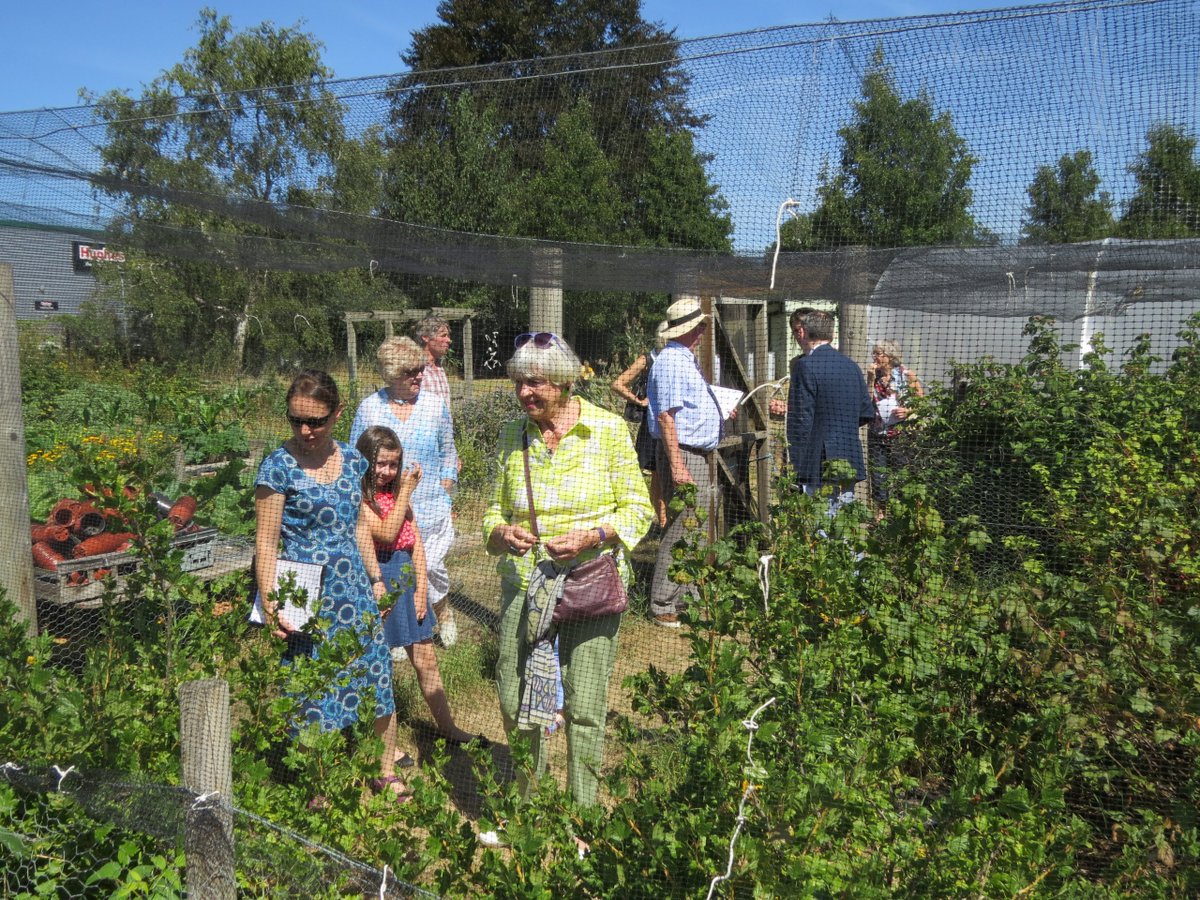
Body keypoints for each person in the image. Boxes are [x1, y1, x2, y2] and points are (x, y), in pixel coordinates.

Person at [482, 330, 652, 843]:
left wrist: (594, 535)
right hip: (526, 586)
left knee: (584, 707)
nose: (524, 393)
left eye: (534, 383)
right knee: (515, 701)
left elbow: (638, 509)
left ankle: (583, 822)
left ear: (562, 382)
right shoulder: (514, 436)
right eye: (518, 383)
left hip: (591, 583)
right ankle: (526, 812)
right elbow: (492, 509)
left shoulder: (606, 430)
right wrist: (500, 532)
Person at [253, 370, 403, 801]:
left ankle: (384, 770)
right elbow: (265, 541)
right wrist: (271, 602)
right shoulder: (277, 467)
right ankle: (316, 786)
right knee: (311, 688)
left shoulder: (356, 462)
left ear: (337, 414)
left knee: (376, 674)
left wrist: (376, 580)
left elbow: (358, 526)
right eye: (296, 420)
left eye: (316, 421)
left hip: (353, 590)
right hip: (304, 595)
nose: (305, 430)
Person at [356, 426, 482, 750]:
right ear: (365, 461)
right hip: (378, 580)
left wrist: (421, 587)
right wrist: (407, 493)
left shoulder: (397, 496)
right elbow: (385, 532)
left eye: (393, 464)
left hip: (406, 576)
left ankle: (449, 727)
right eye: (380, 463)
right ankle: (383, 744)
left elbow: (416, 542)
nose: (388, 471)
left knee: (426, 659)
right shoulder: (360, 498)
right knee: (377, 665)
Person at [350, 337, 461, 647]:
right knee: (395, 572)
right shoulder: (370, 409)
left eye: (420, 369)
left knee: (430, 567)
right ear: (392, 374)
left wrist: (446, 489)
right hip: (386, 511)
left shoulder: (434, 406)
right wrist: (368, 504)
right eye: (410, 371)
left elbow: (448, 452)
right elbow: (355, 459)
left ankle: (443, 613)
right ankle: (399, 633)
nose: (419, 376)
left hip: (431, 507)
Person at [646, 296, 730, 628]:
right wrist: (678, 465)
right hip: (684, 454)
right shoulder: (670, 362)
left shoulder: (685, 359)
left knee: (695, 528)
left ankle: (686, 598)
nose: (704, 330)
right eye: (701, 325)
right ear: (691, 328)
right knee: (682, 526)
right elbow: (667, 417)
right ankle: (663, 601)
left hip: (696, 453)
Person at [785, 310, 876, 512]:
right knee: (842, 527)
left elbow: (801, 420)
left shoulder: (805, 366)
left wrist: (797, 465)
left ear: (804, 332)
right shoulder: (851, 366)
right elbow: (865, 412)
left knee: (821, 528)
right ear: (831, 335)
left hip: (819, 461)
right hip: (849, 457)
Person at [611, 343, 666, 527]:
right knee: (657, 475)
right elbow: (618, 383)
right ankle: (662, 522)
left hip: (674, 424)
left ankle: (670, 521)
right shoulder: (647, 359)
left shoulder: (677, 358)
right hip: (652, 425)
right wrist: (640, 401)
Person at [867, 339, 924, 511]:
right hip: (877, 433)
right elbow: (867, 401)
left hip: (900, 434)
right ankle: (881, 513)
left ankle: (905, 510)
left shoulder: (906, 374)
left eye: (878, 353)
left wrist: (908, 410)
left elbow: (921, 401)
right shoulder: (875, 376)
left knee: (902, 472)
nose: (875, 357)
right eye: (874, 353)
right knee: (878, 475)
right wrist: (870, 379)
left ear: (890, 356)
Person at [414, 314, 453, 412]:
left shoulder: (439, 367)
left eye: (448, 336)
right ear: (426, 337)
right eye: (443, 335)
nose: (449, 340)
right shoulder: (415, 367)